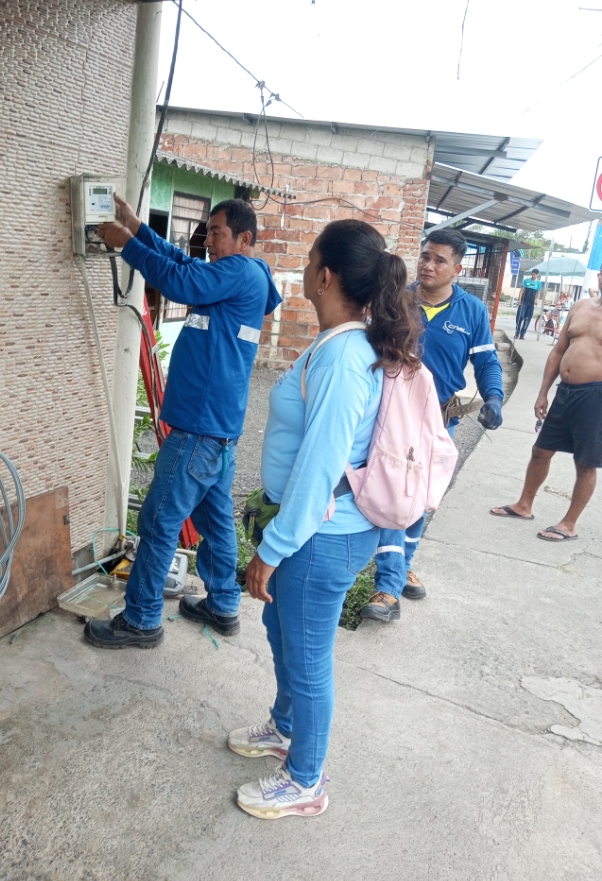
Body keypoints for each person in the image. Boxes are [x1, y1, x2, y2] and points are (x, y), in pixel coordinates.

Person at [231, 219, 421, 819]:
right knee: (282, 630)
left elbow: (319, 467)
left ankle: (305, 780)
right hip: (313, 530)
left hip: (321, 535)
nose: (305, 268)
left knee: (309, 656)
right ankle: (285, 727)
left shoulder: (343, 357)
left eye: (310, 258)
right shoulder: (338, 343)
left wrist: (272, 549)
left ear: (326, 276)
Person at [84, 197, 281, 649]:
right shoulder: (241, 274)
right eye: (207, 231)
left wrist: (127, 244)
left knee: (158, 523)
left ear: (244, 238)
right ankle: (223, 604)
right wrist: (138, 228)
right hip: (217, 430)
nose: (206, 241)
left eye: (216, 232)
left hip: (198, 429)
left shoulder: (239, 271)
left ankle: (141, 620)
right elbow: (182, 263)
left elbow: (180, 280)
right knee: (216, 523)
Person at [360, 228, 504, 622]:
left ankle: (403, 564)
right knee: (397, 494)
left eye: (440, 260)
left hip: (440, 421)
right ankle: (388, 587)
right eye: (426, 256)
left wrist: (493, 397)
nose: (428, 265)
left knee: (422, 499)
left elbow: (487, 362)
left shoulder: (471, 311)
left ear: (457, 269)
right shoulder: (398, 300)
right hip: (393, 418)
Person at [491, 270, 602, 540]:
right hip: (565, 392)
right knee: (540, 450)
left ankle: (569, 524)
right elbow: (558, 351)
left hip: (596, 397)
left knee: (585, 462)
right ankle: (524, 505)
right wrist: (543, 393)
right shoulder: (580, 307)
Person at [515, 269, 543, 340]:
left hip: (531, 304)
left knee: (527, 319)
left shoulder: (539, 283)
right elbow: (522, 291)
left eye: (535, 274)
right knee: (520, 317)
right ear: (531, 274)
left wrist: (537, 299)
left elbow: (538, 293)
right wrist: (519, 299)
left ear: (537, 275)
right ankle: (517, 333)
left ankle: (522, 334)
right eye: (533, 274)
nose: (534, 275)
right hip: (523, 302)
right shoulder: (526, 281)